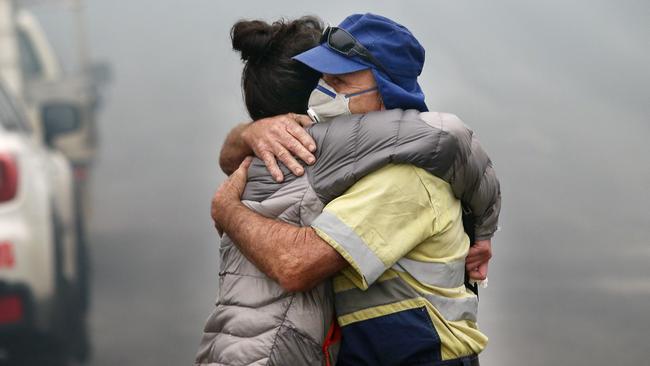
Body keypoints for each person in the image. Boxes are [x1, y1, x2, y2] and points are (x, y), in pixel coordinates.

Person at [210, 13, 499, 366]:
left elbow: (294, 265)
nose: (324, 92)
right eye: (324, 79)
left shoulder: (404, 179)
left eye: (340, 81)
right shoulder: (354, 165)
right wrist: (252, 133)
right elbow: (235, 163)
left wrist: (228, 211)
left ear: (384, 92)